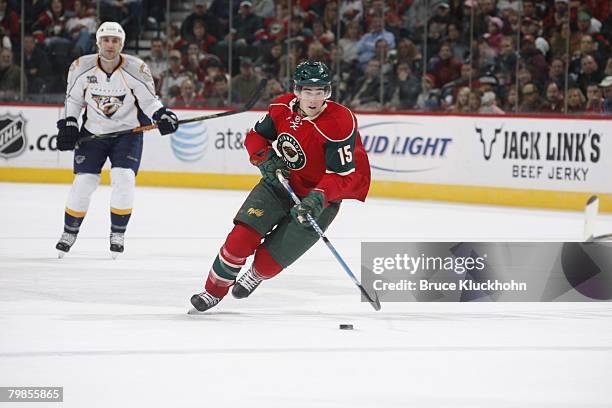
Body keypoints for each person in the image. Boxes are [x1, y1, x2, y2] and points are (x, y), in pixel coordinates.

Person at [190, 61, 371, 312]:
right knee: (240, 240)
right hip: (279, 183)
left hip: (319, 199)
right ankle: (212, 292)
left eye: (320, 92)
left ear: (328, 92)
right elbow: (256, 136)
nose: (314, 98)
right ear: (297, 91)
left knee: (269, 261)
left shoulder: (339, 122)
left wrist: (318, 198)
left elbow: (341, 175)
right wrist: (264, 158)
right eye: (308, 91)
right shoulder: (281, 107)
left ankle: (255, 274)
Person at [54, 21, 179, 258]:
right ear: (98, 42)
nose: (110, 45)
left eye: (115, 41)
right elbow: (72, 100)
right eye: (106, 40)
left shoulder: (136, 67)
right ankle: (69, 232)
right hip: (93, 133)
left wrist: (162, 114)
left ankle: (117, 233)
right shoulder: (81, 66)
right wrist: (69, 122)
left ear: (122, 44)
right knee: (84, 183)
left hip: (127, 134)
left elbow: (149, 101)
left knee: (124, 178)